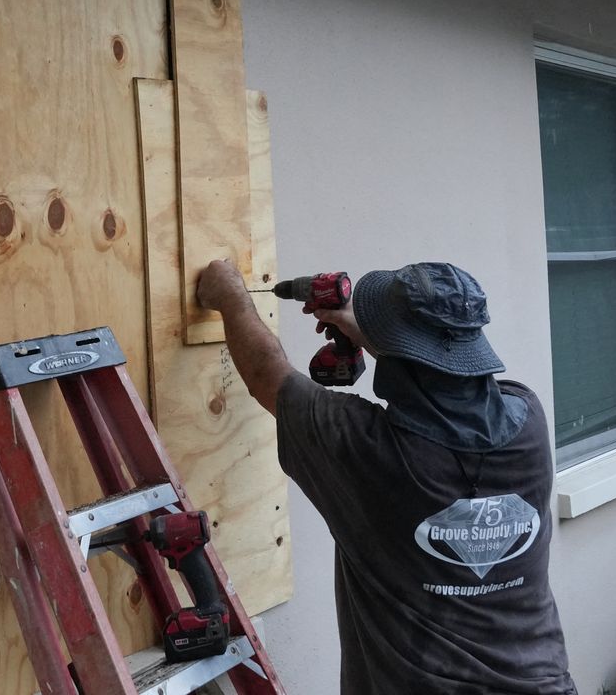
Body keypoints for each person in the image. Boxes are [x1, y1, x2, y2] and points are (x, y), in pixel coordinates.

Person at [196, 258, 576, 695]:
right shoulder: (528, 422)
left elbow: (269, 376)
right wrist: (383, 338)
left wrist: (230, 296)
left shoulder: (368, 450)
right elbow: (450, 382)